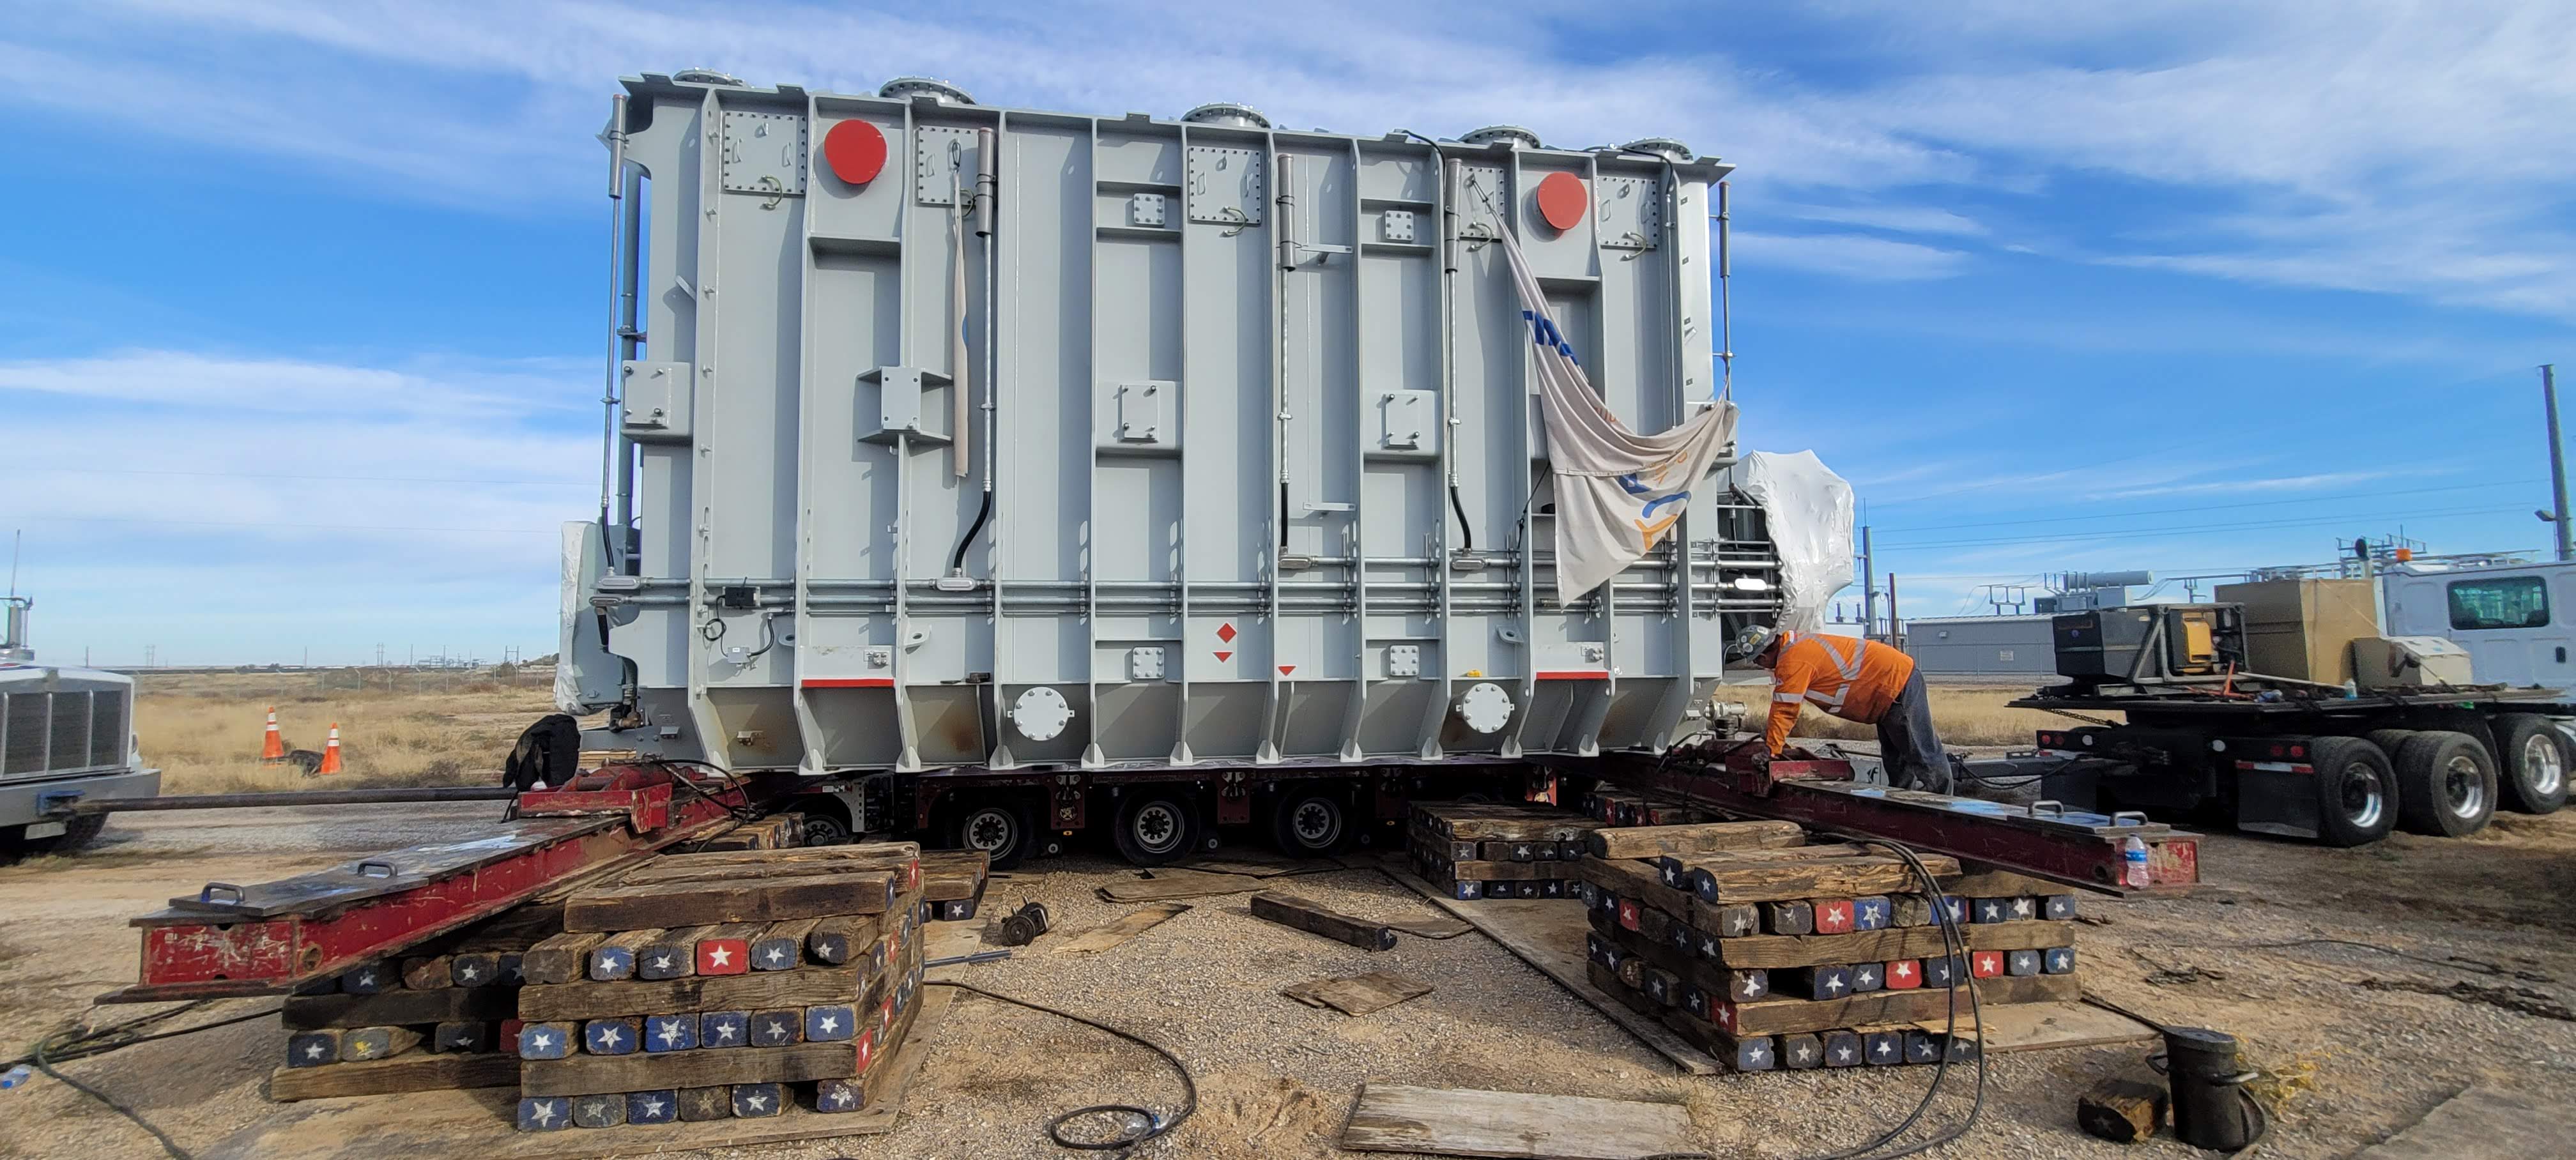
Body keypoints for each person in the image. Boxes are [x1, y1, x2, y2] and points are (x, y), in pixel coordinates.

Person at [1729, 625, 1952, 793]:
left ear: (1762, 656)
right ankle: (1904, 803)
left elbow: (1785, 708)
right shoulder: (1795, 648)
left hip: (1895, 683)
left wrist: (1772, 750)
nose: (1761, 667)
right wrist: (1773, 742)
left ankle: (1947, 806)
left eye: (1757, 662)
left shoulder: (1793, 660)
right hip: (1885, 690)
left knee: (1921, 751)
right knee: (1896, 756)